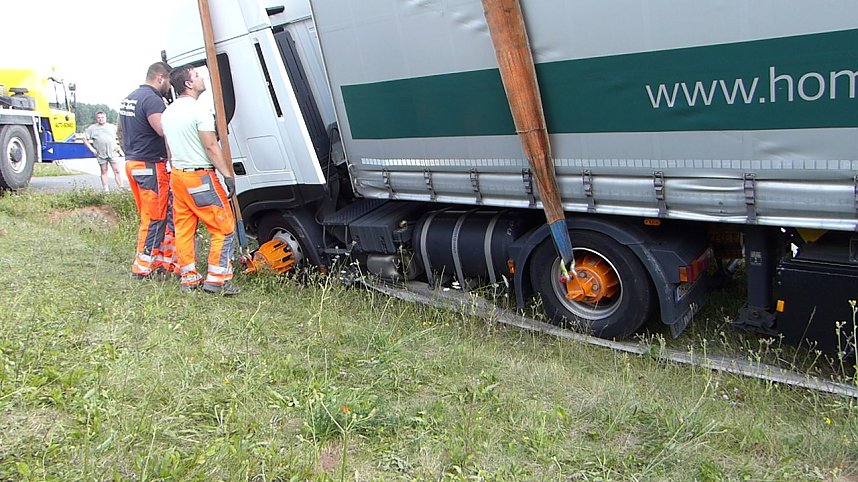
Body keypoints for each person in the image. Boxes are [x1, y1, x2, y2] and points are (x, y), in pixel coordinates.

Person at [161, 64, 239, 296]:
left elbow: (169, 149)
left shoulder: (168, 113)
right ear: (188, 84)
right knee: (224, 228)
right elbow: (211, 146)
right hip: (200, 177)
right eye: (196, 75)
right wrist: (227, 175)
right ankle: (217, 279)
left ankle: (189, 277)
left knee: (184, 229)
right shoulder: (200, 110)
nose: (201, 77)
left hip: (178, 176)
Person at [119, 62, 179, 280]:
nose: (169, 87)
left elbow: (120, 131)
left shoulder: (130, 97)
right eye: (169, 82)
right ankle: (143, 267)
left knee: (148, 215)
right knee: (156, 217)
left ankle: (156, 260)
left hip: (133, 163)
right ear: (160, 78)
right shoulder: (152, 99)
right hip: (151, 165)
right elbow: (163, 129)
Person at [82, 111, 124, 192]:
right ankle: (106, 189)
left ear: (105, 118)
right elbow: (84, 138)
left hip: (113, 152)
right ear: (96, 119)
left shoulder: (112, 127)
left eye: (102, 117)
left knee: (117, 170)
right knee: (104, 171)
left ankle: (121, 187)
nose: (100, 119)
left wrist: (119, 147)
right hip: (100, 153)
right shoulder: (92, 128)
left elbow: (121, 135)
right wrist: (92, 149)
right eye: (99, 118)